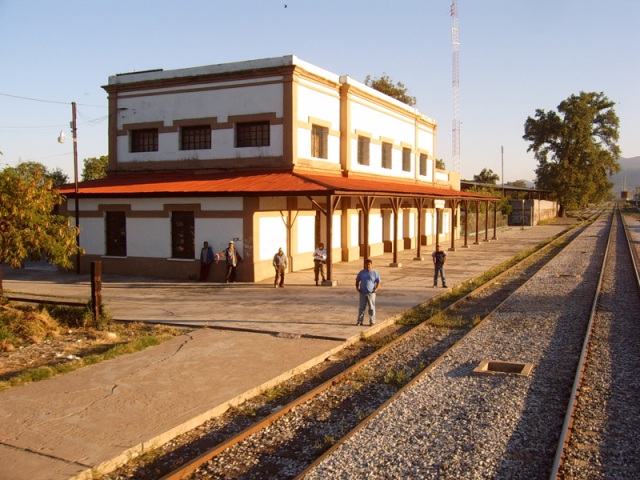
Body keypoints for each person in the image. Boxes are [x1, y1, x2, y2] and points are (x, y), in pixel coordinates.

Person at [355, 259, 381, 326]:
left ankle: (372, 321)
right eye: (367, 264)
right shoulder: (361, 272)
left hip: (371, 293)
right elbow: (357, 280)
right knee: (361, 308)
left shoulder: (375, 273)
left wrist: (376, 289)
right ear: (365, 265)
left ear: (372, 265)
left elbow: (378, 282)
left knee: (371, 308)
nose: (368, 266)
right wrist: (357, 288)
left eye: (369, 264)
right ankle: (359, 321)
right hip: (363, 293)